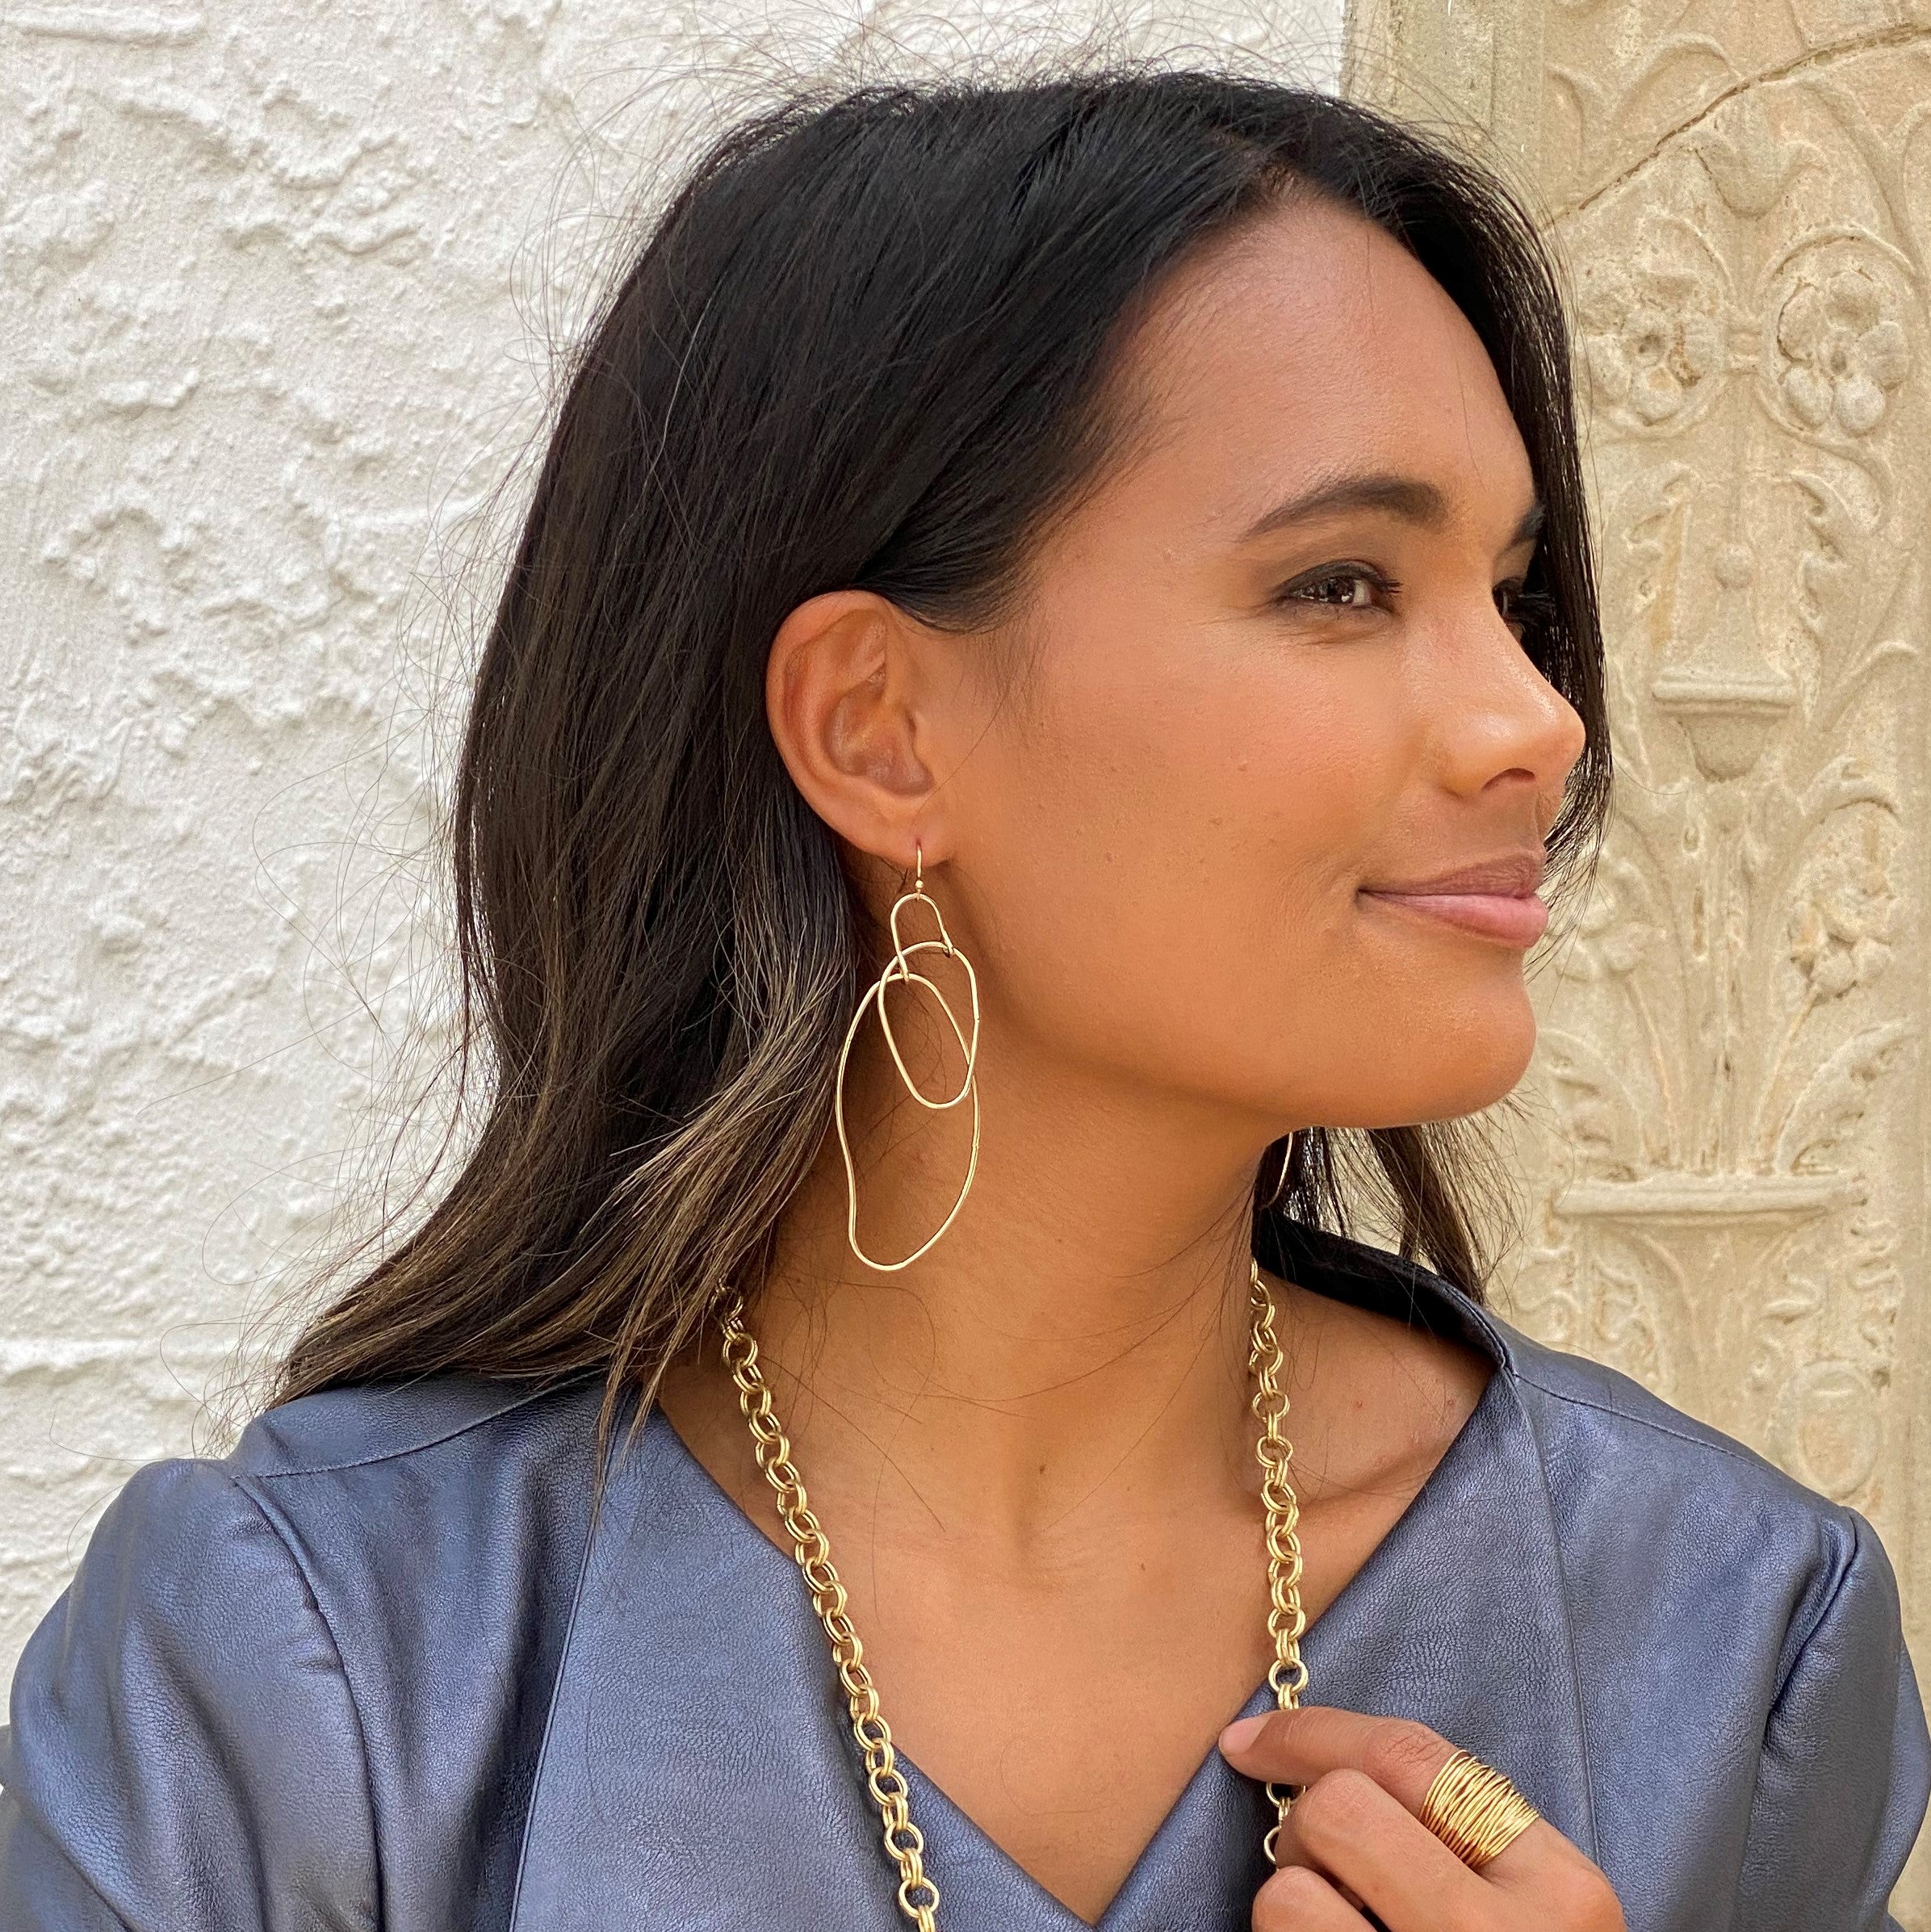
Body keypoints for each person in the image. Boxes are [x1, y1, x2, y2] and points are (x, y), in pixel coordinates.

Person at [1, 62, 1925, 1932]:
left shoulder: (1720, 1639)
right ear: (878, 731)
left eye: (1509, 597)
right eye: (1339, 583)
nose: (1536, 721)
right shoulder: (308, 1676)